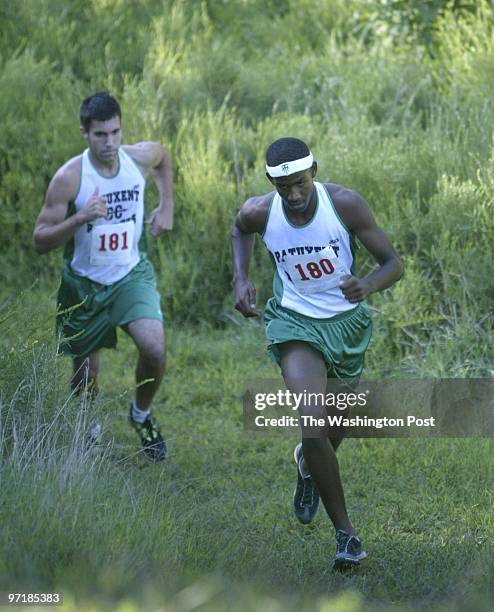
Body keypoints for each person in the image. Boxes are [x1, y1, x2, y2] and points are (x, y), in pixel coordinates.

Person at [231, 137, 403, 569]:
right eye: (284, 186)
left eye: (301, 183)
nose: (293, 195)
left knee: (330, 430)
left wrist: (367, 284)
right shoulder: (260, 211)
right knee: (313, 421)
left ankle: (307, 467)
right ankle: (347, 536)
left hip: (345, 326)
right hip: (294, 321)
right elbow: (239, 229)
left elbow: (392, 264)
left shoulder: (345, 205)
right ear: (272, 181)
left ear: (314, 173)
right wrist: (240, 277)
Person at [32, 91, 174, 461]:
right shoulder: (70, 178)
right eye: (100, 135)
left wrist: (166, 205)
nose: (109, 143)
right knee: (85, 376)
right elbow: (40, 240)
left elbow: (162, 157)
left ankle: (141, 414)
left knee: (155, 348)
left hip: (130, 275)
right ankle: (89, 428)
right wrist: (79, 218)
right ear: (85, 132)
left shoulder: (135, 158)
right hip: (84, 284)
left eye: (115, 132)